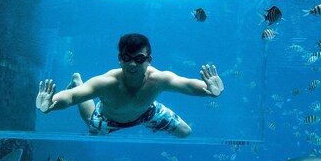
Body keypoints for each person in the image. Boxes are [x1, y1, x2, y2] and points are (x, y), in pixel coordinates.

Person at [36, 33, 224, 138]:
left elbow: (188, 85)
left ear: (148, 60)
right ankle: (77, 79)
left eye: (139, 59)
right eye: (127, 58)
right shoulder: (106, 82)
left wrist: (209, 91)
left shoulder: (159, 79)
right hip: (109, 118)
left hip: (146, 113)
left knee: (185, 132)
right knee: (92, 127)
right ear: (120, 59)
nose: (133, 64)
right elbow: (73, 97)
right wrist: (51, 103)